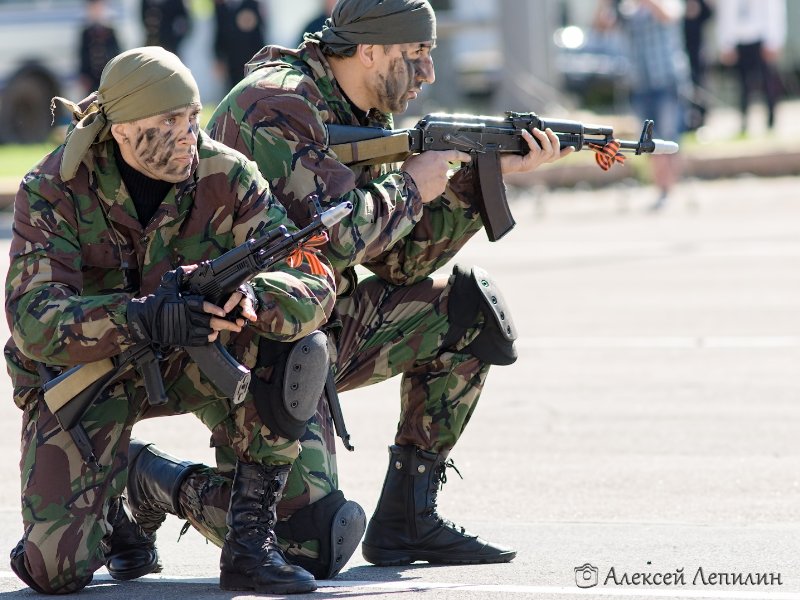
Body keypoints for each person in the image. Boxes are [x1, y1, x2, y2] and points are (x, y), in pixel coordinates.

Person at [117, 0, 570, 581]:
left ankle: (409, 517)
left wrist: (477, 186)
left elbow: (402, 262)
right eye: (418, 55)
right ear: (371, 51)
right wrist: (410, 186)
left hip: (311, 328)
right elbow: (325, 243)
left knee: (467, 313)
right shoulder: (276, 104)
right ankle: (154, 479)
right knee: (308, 546)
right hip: (230, 339)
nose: (428, 73)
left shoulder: (367, 115)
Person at [5, 46, 338, 595]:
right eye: (170, 123)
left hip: (204, 359)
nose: (189, 134)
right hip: (94, 374)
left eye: (192, 117)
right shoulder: (53, 188)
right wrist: (140, 318)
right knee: (55, 571)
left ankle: (238, 532)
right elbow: (33, 319)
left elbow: (313, 281)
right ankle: (115, 500)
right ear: (124, 129)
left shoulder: (226, 173)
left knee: (311, 542)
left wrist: (255, 296)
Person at [594, 0, 690, 212]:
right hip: (639, 83)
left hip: (667, 79)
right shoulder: (626, 9)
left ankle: (668, 189)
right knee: (649, 140)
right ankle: (661, 188)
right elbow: (601, 27)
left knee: (670, 135)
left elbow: (669, 16)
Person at [715, 0, 786, 135]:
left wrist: (774, 40)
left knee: (767, 82)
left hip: (761, 36)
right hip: (740, 38)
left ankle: (771, 120)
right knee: (743, 84)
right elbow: (725, 13)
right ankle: (744, 121)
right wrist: (726, 43)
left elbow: (775, 9)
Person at [213, 0, 267, 90]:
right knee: (232, 91)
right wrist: (219, 58)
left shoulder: (252, 4)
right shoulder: (221, 6)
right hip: (231, 61)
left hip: (251, 60)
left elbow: (259, 36)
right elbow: (219, 35)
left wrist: (261, 60)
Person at [78, 0, 121, 95]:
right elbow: (82, 55)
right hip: (91, 77)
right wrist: (83, 75)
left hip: (107, 76)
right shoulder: (86, 32)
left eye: (98, 8)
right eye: (92, 9)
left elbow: (116, 53)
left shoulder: (110, 31)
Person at [682, 0, 713, 132]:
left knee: (699, 85)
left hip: (697, 51)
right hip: (680, 51)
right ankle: (687, 121)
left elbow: (709, 14)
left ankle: (701, 120)